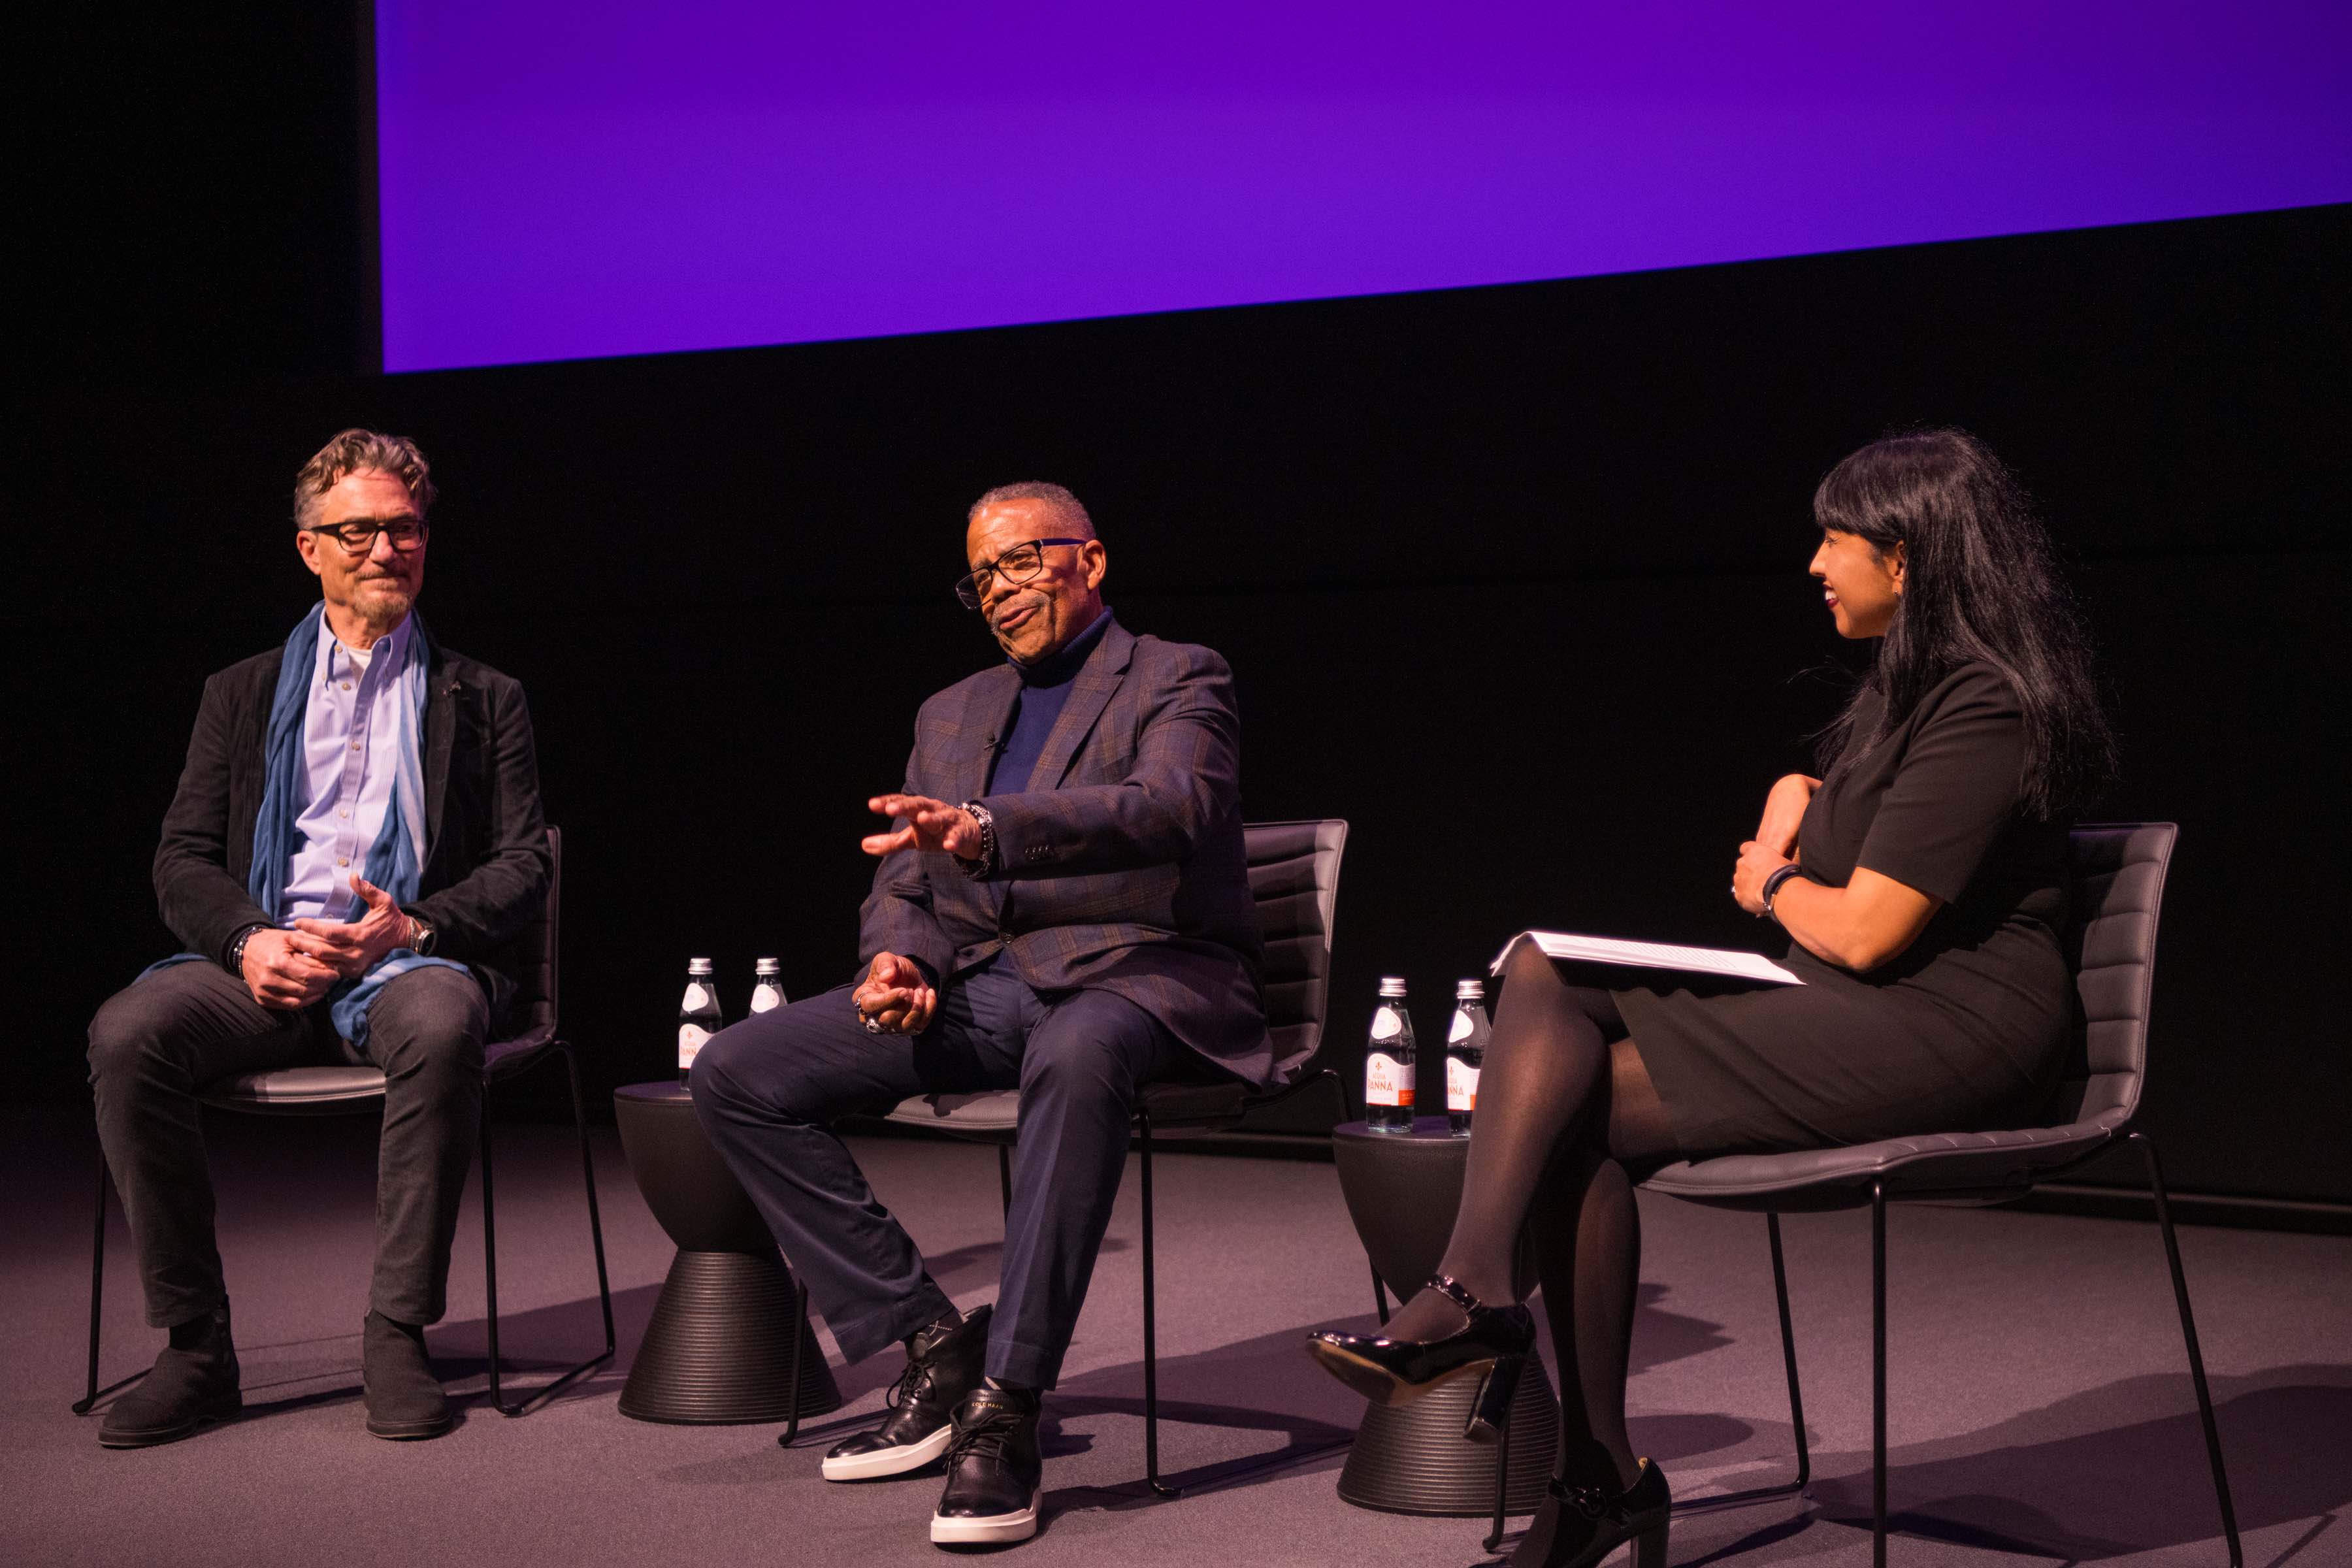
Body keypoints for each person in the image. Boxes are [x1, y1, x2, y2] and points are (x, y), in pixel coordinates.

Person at [1307, 429, 2116, 1568]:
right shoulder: (1907, 690)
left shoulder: (1986, 700)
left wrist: (1774, 878)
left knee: (1561, 1106)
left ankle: (1556, 1425)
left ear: (1910, 558)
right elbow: (1865, 833)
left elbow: (1871, 930)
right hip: (1866, 1004)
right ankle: (1521, 1360)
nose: (1815, 564)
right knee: (1543, 979)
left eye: (1836, 538)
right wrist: (1800, 799)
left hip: (1955, 1028)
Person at [692, 482, 1273, 1548]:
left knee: (1080, 1048)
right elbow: (908, 884)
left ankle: (1008, 1407)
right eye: (982, 578)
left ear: (1089, 562)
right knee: (737, 1070)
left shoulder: (1179, 675)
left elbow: (1171, 807)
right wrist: (898, 963)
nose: (1000, 593)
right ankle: (929, 1341)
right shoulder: (950, 712)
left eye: (1020, 563)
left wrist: (987, 827)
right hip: (994, 987)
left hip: (1146, 973)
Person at [86, 430, 551, 1448]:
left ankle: (396, 1333)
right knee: (129, 1034)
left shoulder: (484, 698)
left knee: (442, 1019)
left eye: (405, 529)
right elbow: (181, 860)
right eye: (360, 531)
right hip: (262, 960)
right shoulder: (241, 692)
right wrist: (250, 938)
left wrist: (414, 923)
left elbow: (524, 863)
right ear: (310, 548)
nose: (386, 549)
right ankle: (196, 1350)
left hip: (401, 965)